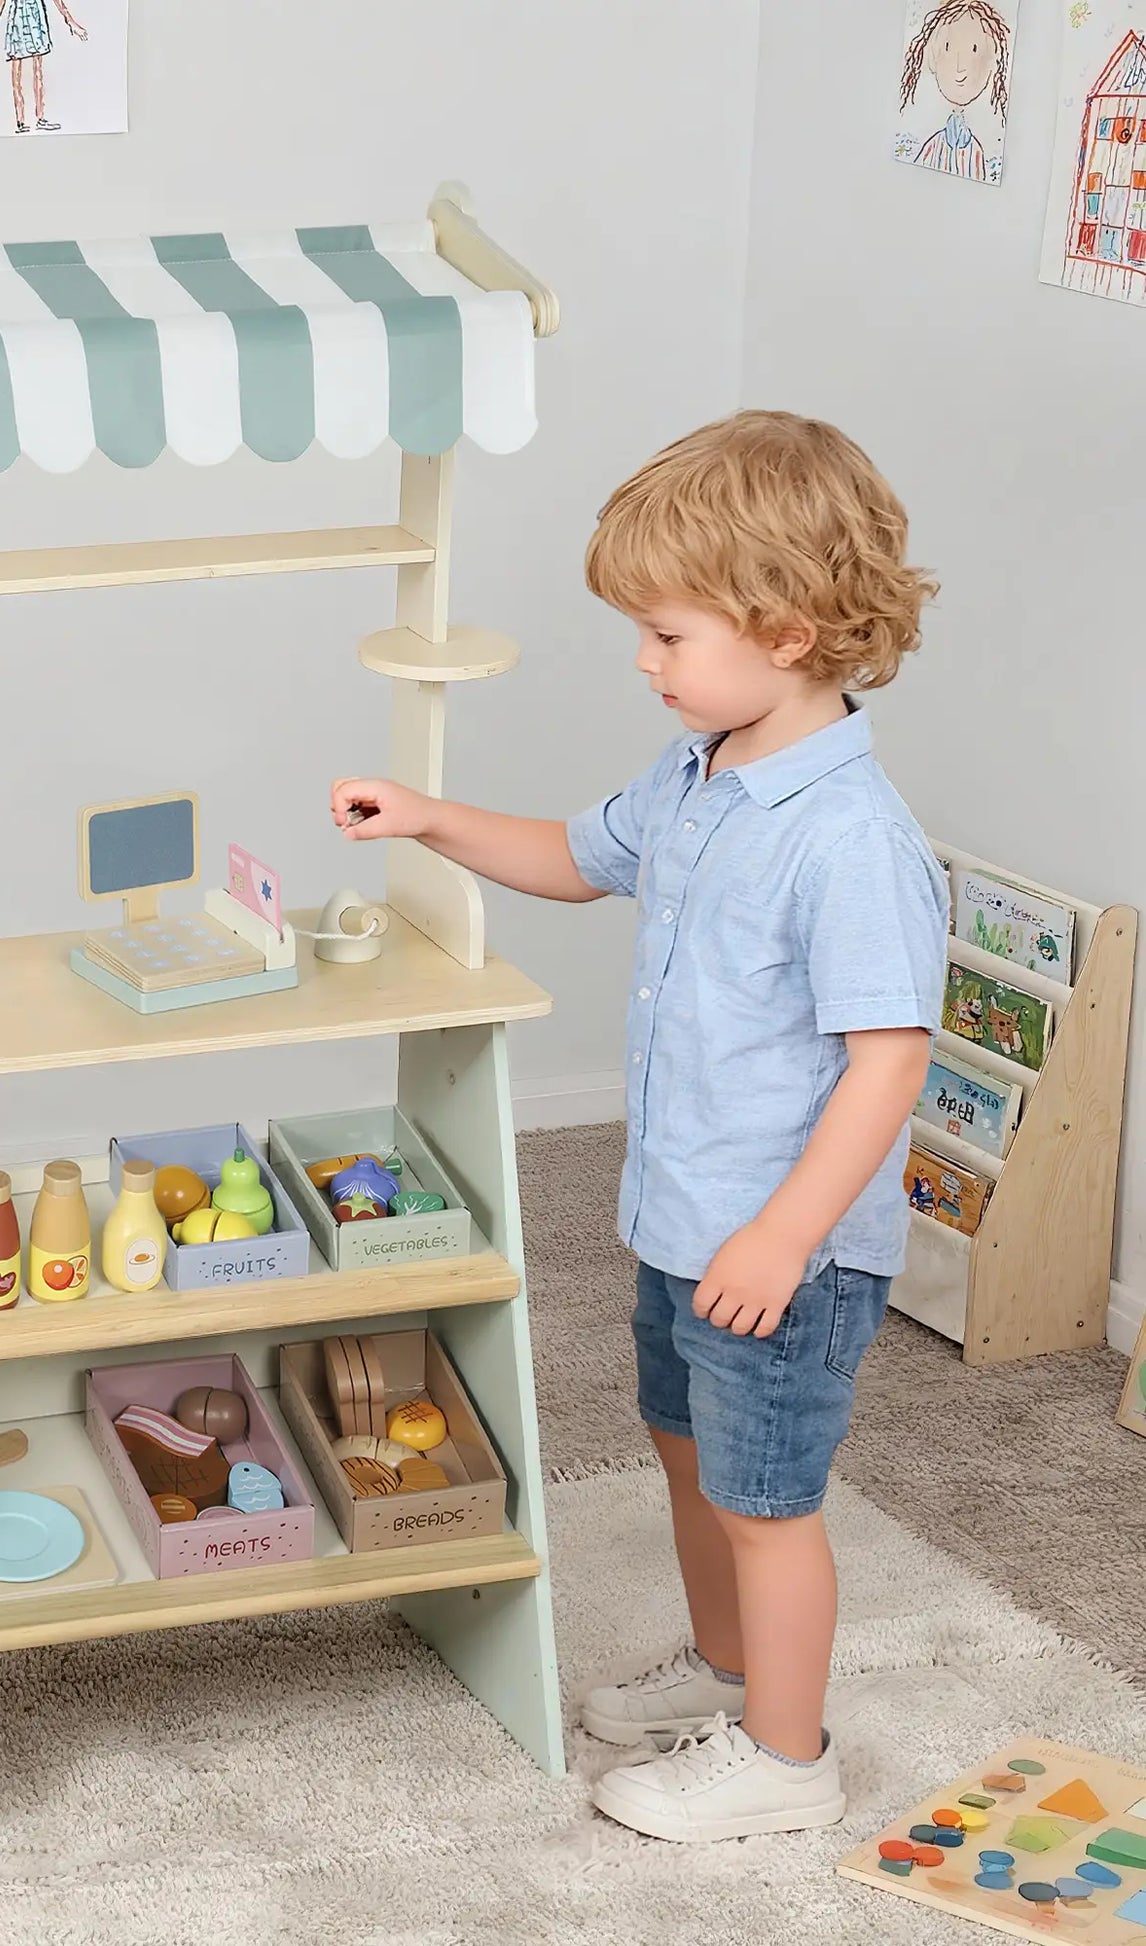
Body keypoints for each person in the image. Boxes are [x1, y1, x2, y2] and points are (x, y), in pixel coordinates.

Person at [332, 411, 947, 1842]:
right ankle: (727, 1672)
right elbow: (569, 856)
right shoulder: (694, 772)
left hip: (774, 1247)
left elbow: (885, 1062)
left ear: (786, 629)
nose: (642, 660)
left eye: (666, 635)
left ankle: (787, 1757)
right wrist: (426, 815)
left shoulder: (848, 839)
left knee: (765, 1498)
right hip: (680, 1218)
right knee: (686, 1452)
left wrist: (786, 1233)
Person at [900, 0, 1014, 182]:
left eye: (974, 50)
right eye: (948, 47)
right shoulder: (932, 146)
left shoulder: (976, 153)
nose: (960, 67)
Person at [0, 0, 89, 133]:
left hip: (36, 21)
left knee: (37, 73)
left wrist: (72, 23)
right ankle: (20, 121)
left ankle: (39, 118)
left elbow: (58, 2)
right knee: (17, 76)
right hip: (18, 25)